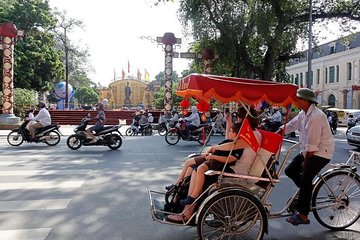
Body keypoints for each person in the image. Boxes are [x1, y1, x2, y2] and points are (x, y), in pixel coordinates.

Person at [167, 106, 262, 223]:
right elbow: (229, 140)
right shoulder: (246, 132)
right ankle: (177, 203)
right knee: (191, 168)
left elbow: (233, 145)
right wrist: (228, 123)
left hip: (234, 169)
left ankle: (187, 214)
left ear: (244, 119)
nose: (237, 120)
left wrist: (214, 148)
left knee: (198, 171)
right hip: (228, 164)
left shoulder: (253, 135)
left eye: (238, 117)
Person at [277, 88, 334, 226]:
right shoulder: (303, 114)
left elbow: (312, 144)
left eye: (298, 99)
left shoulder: (316, 116)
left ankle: (303, 214)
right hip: (308, 150)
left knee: (306, 178)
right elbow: (291, 125)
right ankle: (308, 191)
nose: (296, 102)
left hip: (320, 152)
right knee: (290, 171)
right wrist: (278, 132)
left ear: (305, 100)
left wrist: (305, 162)